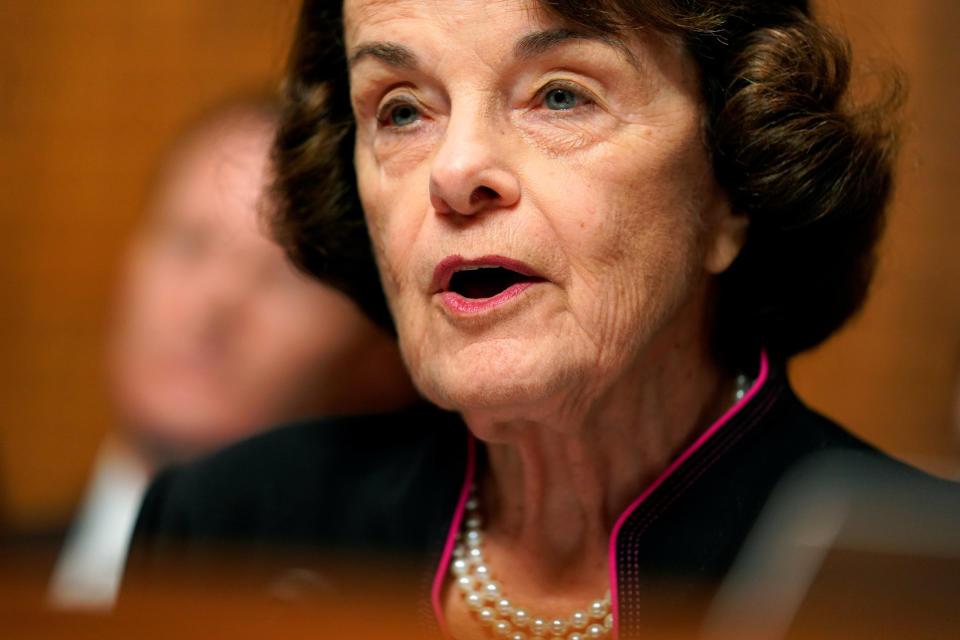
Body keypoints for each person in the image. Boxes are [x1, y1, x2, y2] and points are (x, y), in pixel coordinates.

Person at [127, 2, 957, 638]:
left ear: (733, 184)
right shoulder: (228, 525)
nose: (454, 174)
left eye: (560, 96)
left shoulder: (914, 577)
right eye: (403, 110)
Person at [50, 97, 418, 609]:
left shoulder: (393, 608)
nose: (214, 305)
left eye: (284, 274)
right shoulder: (16, 573)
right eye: (190, 242)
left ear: (380, 354)